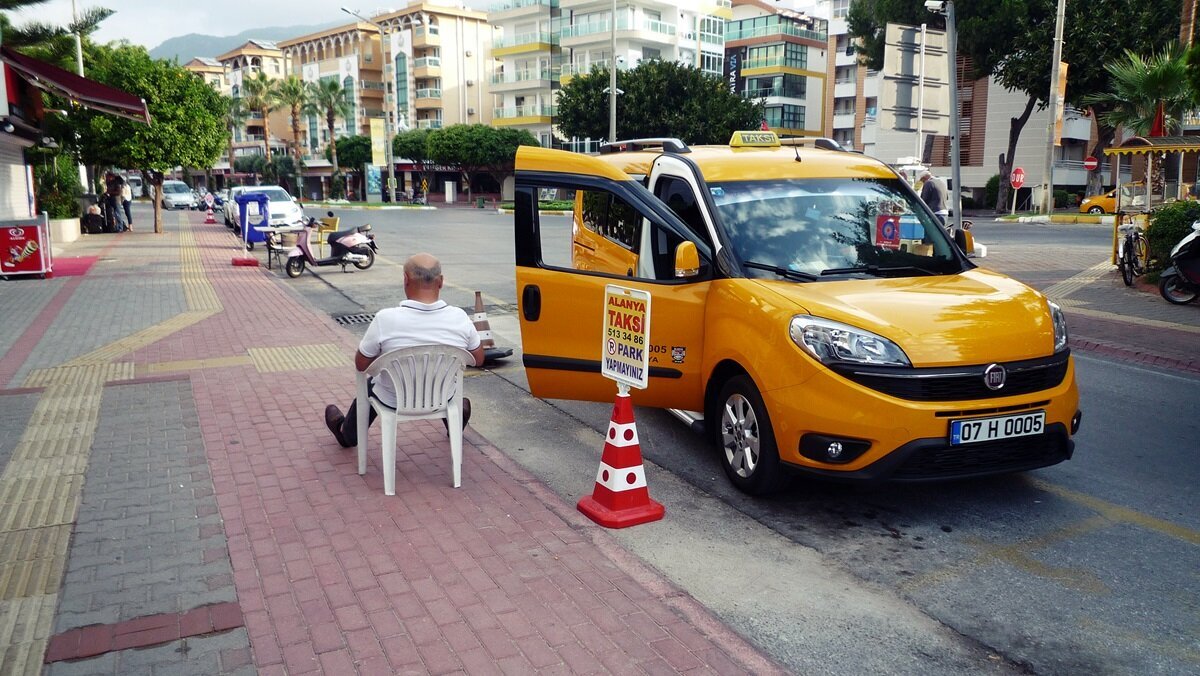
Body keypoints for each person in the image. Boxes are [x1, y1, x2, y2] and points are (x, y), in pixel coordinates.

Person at [324, 253, 484, 448]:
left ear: (406, 280)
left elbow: (361, 364)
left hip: (394, 400)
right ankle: (455, 421)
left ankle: (347, 435)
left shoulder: (385, 319)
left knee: (371, 385)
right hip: (442, 397)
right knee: (441, 379)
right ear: (441, 282)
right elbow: (479, 358)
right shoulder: (459, 317)